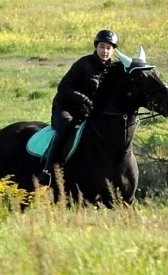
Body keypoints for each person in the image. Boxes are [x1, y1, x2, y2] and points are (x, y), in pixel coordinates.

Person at [45, 29, 119, 174]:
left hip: (87, 112)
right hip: (65, 108)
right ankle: (48, 170)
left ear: (113, 51)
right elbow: (64, 87)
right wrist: (84, 100)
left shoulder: (112, 70)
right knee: (66, 127)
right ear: (96, 47)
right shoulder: (84, 64)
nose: (105, 51)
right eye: (102, 46)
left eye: (109, 48)